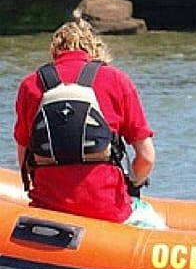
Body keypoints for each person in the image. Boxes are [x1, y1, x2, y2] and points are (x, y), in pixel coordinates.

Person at [14, 16, 165, 229]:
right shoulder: (116, 79)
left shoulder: (30, 85)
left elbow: (24, 161)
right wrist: (132, 183)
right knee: (154, 220)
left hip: (47, 208)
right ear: (95, 49)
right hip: (108, 209)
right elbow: (147, 157)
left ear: (55, 51)